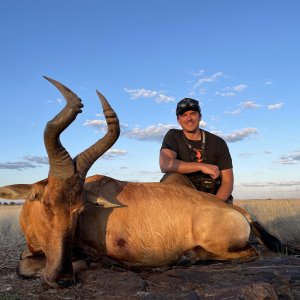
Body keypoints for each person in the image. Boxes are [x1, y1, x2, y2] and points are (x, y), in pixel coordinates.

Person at [159, 98, 234, 203]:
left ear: (200, 117)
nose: (189, 118)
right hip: (189, 197)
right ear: (178, 120)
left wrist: (215, 206)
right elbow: (166, 164)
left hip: (216, 197)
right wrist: (201, 166)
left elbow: (228, 181)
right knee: (171, 178)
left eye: (193, 113)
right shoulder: (173, 136)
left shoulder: (218, 142)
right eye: (184, 115)